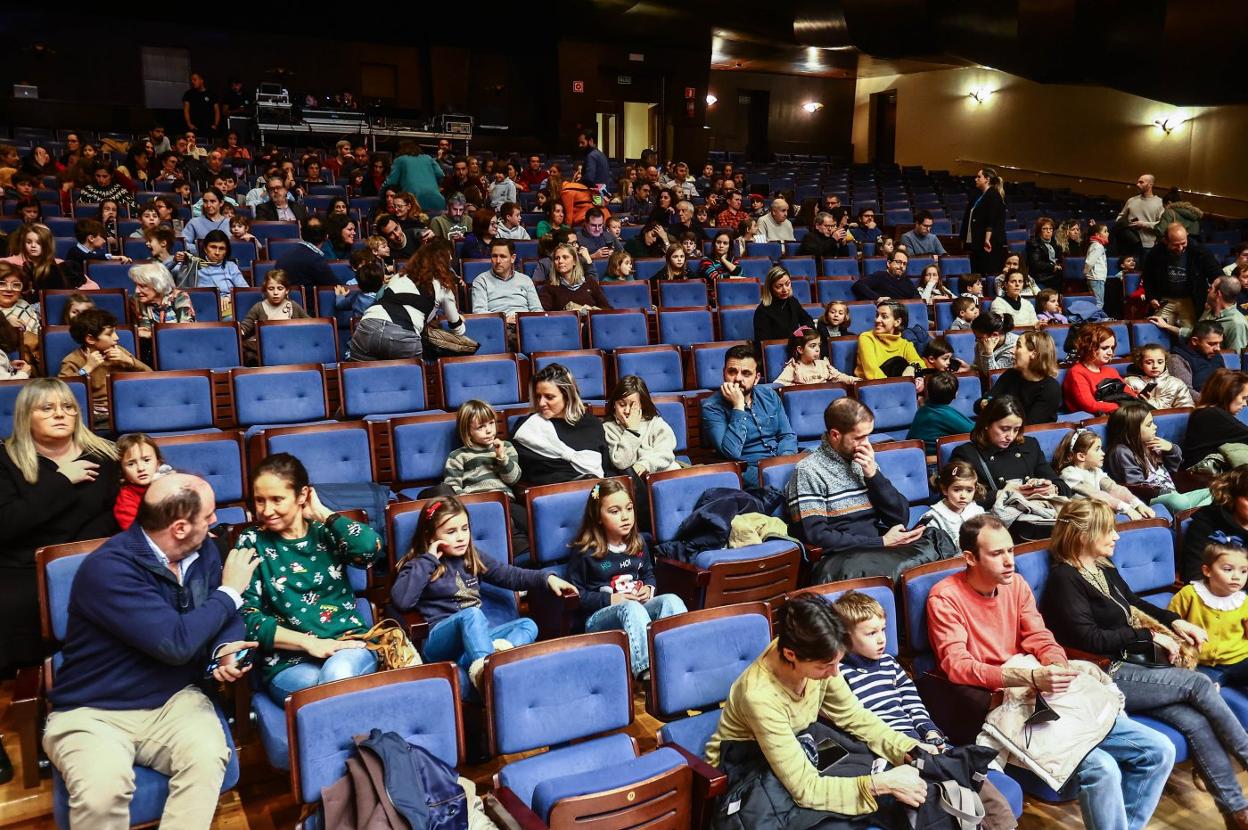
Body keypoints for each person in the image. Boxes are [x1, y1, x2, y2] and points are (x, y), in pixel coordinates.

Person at [929, 513, 1176, 830]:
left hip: (1044, 689)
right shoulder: (945, 597)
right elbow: (958, 666)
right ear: (970, 558)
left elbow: (1040, 637)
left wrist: (1057, 664)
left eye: (1010, 550)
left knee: (1160, 750)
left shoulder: (1016, 585)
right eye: (996, 553)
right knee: (1103, 768)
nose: (1009, 561)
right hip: (1005, 704)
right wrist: (1029, 677)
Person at [44, 472, 256, 829]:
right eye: (208, 515)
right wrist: (230, 591)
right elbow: (175, 644)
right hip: (93, 711)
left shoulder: (204, 550)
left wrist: (225, 649)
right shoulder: (109, 570)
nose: (215, 521)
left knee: (207, 757)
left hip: (174, 699)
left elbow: (223, 616)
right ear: (179, 528)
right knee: (101, 794)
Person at [1041, 499, 1248, 828]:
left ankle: (1237, 812)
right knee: (1199, 683)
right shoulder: (1064, 579)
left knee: (1194, 720)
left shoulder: (1102, 567)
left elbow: (1134, 602)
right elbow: (1089, 638)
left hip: (1135, 665)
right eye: (1108, 530)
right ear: (1083, 535)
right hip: (1103, 673)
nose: (1116, 536)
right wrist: (1148, 635)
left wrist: (1175, 621)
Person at [704, 595, 929, 824]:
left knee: (880, 771)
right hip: (747, 765)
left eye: (838, 662)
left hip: (797, 742)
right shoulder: (760, 696)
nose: (835, 673)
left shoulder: (816, 651)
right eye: (825, 666)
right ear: (790, 655)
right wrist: (879, 785)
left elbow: (854, 715)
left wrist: (909, 747)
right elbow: (806, 789)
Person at [832, 590, 1018, 830]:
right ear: (846, 637)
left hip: (920, 741)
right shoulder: (838, 674)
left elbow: (913, 704)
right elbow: (854, 725)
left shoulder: (890, 664)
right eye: (871, 633)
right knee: (941, 784)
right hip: (885, 751)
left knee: (971, 773)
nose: (881, 640)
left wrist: (930, 732)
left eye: (883, 630)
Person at [237, 454, 383, 705]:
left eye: (277, 499)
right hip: (288, 662)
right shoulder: (251, 541)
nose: (266, 511)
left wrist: (325, 514)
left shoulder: (326, 530)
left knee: (337, 674)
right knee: (332, 685)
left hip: (347, 644)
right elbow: (247, 618)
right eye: (260, 500)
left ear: (302, 495)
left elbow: (370, 550)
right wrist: (310, 643)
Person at [0, 377, 120, 680]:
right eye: (47, 408)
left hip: (91, 557)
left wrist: (72, 552)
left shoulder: (105, 455)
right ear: (25, 415)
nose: (60, 414)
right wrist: (62, 481)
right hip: (24, 564)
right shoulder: (6, 460)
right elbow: (8, 523)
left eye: (68, 406)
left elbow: (112, 516)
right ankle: (31, 684)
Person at [390, 496, 574, 689]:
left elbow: (509, 575)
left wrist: (546, 578)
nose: (461, 537)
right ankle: (486, 675)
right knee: (472, 614)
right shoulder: (418, 565)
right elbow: (402, 601)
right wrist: (429, 560)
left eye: (465, 528)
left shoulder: (472, 557)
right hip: (439, 642)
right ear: (430, 536)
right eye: (451, 532)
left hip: (475, 641)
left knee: (528, 625)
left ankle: (493, 658)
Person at [565, 479, 686, 676]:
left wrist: (648, 588)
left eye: (629, 509)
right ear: (597, 517)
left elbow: (647, 573)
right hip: (599, 619)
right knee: (630, 607)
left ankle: (679, 661)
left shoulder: (638, 542)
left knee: (671, 600)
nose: (625, 517)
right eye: (615, 511)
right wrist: (610, 599)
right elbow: (575, 596)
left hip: (637, 611)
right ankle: (648, 673)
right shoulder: (585, 551)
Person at [786, 397, 918, 556]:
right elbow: (817, 536)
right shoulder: (808, 470)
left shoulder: (864, 461)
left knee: (934, 540)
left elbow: (900, 519)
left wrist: (873, 475)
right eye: (859, 438)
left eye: (868, 436)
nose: (866, 444)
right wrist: (880, 542)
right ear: (835, 435)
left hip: (879, 547)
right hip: (844, 557)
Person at [951, 397, 1069, 539]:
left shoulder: (1030, 445)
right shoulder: (967, 454)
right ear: (987, 424)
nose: (1010, 436)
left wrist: (1051, 488)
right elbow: (957, 498)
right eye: (1004, 429)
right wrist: (1002, 494)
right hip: (998, 529)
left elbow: (1064, 487)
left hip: (1038, 518)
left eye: (1016, 430)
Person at [350, 239, 463, 361]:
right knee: (412, 373)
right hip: (403, 336)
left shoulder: (398, 276)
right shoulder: (443, 287)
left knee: (361, 373)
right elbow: (458, 330)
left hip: (367, 326)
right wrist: (459, 321)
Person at [513, 363, 625, 486]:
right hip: (555, 493)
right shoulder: (528, 427)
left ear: (567, 396)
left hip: (596, 490)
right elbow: (519, 472)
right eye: (538, 396)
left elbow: (606, 470)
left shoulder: (592, 424)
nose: (541, 403)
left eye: (549, 397)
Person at [701, 344, 797, 487]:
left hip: (779, 461)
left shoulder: (769, 395)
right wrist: (738, 406)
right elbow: (731, 452)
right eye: (732, 372)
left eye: (746, 373)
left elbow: (787, 435)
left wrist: (783, 463)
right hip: (748, 470)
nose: (738, 378)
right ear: (723, 373)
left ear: (756, 378)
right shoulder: (711, 407)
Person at [1169, 540, 1248, 687]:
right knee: (1200, 688)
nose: (1237, 577)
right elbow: (1170, 623)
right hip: (1202, 663)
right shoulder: (1190, 594)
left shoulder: (1243, 600)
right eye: (1228, 569)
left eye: (1244, 571)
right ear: (1207, 571)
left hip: (1240, 659)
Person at [58, 309, 152, 429]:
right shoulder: (72, 360)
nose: (116, 337)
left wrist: (129, 361)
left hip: (126, 408)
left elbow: (151, 376)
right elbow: (61, 391)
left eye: (115, 332)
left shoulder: (119, 352)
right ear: (90, 339)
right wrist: (87, 368)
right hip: (94, 416)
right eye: (109, 334)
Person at [1054, 429, 1153, 519]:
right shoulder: (1069, 474)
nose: (1103, 453)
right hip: (1082, 517)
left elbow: (1113, 488)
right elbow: (1096, 494)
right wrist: (1126, 509)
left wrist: (1138, 504)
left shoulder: (1095, 470)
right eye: (1097, 449)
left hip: (1099, 512)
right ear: (1081, 456)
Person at [1142, 223, 1223, 330]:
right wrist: (1151, 297)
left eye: (1183, 243)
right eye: (1175, 245)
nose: (1180, 248)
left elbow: (1217, 275)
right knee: (1156, 328)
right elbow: (1148, 278)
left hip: (1190, 299)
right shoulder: (1156, 253)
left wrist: (1214, 298)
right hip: (1165, 299)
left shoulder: (1200, 251)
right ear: (1166, 241)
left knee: (1191, 332)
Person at [603, 375, 682, 476]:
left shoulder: (655, 423)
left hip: (656, 474)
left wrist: (645, 464)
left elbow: (666, 453)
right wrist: (632, 430)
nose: (627, 411)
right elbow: (621, 463)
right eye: (622, 405)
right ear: (614, 405)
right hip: (630, 478)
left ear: (642, 405)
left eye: (633, 405)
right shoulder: (608, 428)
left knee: (674, 467)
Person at [1154, 276, 1248, 353]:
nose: (1208, 290)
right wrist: (1167, 326)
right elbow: (1195, 334)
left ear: (1218, 294)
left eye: (1211, 288)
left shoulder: (1236, 323)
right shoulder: (1209, 310)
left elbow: (1235, 358)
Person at [985, 330, 1062, 424]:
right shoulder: (1010, 374)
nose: (1011, 351)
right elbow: (982, 402)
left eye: (1018, 346)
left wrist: (992, 407)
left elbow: (1029, 426)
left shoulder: (1050, 388)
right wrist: (985, 403)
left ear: (1033, 354)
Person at [1181, 369, 1248, 474]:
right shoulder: (1210, 414)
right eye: (1243, 398)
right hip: (1200, 476)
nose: (1245, 404)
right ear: (1228, 394)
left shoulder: (1206, 412)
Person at [1063, 322, 1137, 415]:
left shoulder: (1111, 371)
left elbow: (1131, 395)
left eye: (1112, 347)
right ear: (1090, 347)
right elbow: (1090, 405)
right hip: (1095, 418)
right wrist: (1126, 406)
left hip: (1119, 414)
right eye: (1105, 348)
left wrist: (1138, 399)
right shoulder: (1077, 372)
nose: (1110, 353)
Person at [238, 269, 310, 363]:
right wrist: (239, 331)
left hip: (290, 346)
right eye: (271, 289)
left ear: (287, 290)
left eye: (280, 288)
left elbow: (310, 324)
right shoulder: (259, 307)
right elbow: (246, 325)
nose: (275, 293)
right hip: (267, 347)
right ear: (265, 290)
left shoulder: (293, 306)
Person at [918, 461, 987, 548]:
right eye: (957, 490)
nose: (963, 496)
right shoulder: (933, 519)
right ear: (944, 490)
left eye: (969, 490)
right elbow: (933, 550)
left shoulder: (977, 511)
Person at [471, 238, 542, 322]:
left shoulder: (525, 280)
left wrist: (522, 321)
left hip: (525, 324)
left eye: (503, 256)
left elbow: (537, 310)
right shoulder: (481, 281)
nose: (498, 261)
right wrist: (505, 320)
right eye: (494, 256)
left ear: (513, 258)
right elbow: (479, 312)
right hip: (498, 326)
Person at [112, 433, 169, 530]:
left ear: (158, 463)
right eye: (131, 464)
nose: (140, 468)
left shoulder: (170, 482)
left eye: (146, 460)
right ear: (122, 471)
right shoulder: (126, 500)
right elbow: (138, 532)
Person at [908, 372, 975, 455]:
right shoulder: (944, 415)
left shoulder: (923, 409)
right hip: (932, 460)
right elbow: (975, 431)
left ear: (928, 392)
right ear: (955, 395)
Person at [538, 242, 611, 314]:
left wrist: (590, 310)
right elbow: (543, 314)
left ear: (574, 261)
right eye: (557, 258)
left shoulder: (590, 282)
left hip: (589, 320)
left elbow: (608, 309)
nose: (560, 261)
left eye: (565, 257)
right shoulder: (549, 287)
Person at [129, 261, 195, 340]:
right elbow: (145, 331)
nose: (136, 291)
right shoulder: (137, 300)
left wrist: (152, 334)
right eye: (136, 285)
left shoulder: (179, 297)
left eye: (142, 286)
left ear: (158, 285)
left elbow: (184, 330)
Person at [856, 301, 921, 379]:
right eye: (877, 315)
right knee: (898, 362)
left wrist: (912, 368)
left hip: (899, 383)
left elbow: (921, 364)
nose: (877, 320)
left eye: (884, 316)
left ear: (897, 322)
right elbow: (873, 373)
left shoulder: (905, 344)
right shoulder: (867, 338)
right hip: (872, 384)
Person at [774, 327, 856, 387]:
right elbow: (779, 383)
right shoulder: (794, 367)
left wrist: (853, 380)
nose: (817, 349)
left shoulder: (823, 364)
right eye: (813, 346)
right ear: (800, 349)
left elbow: (838, 376)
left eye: (818, 345)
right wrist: (796, 387)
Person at [754, 266, 814, 347]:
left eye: (787, 284)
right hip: (776, 350)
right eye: (779, 286)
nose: (785, 290)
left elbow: (807, 320)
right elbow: (763, 343)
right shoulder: (762, 311)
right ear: (770, 288)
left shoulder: (792, 301)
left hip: (796, 347)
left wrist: (804, 332)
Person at [963, 167, 1007, 277]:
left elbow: (991, 220)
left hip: (988, 244)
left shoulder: (994, 195)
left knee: (986, 273)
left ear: (987, 179)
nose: (975, 179)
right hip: (977, 243)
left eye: (979, 177)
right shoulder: (979, 195)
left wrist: (987, 239)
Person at [1167, 319, 1227, 398]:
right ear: (1195, 341)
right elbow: (1185, 392)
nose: (1218, 349)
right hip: (1201, 404)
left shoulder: (1215, 354)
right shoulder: (1177, 359)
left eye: (1220, 343)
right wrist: (1214, 402)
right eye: (1212, 344)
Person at [1124, 343, 1195, 409]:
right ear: (1141, 364)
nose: (1155, 366)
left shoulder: (1176, 384)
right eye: (1149, 362)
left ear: (1165, 362)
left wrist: (1149, 402)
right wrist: (1138, 400)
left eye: (1160, 362)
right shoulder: (1130, 382)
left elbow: (1186, 410)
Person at [382, 139, 446, 213]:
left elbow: (391, 181)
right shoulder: (428, 158)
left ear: (399, 150)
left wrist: (380, 194)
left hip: (413, 201)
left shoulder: (399, 160)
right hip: (437, 200)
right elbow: (441, 175)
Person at [276, 219, 338, 288]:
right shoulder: (316, 260)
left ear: (302, 234)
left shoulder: (285, 255)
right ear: (326, 237)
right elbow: (336, 287)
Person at [1115, 173, 1166, 258]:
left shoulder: (1160, 203)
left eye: (1141, 182)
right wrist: (1124, 224)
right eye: (1138, 182)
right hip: (1129, 243)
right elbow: (1120, 217)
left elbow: (1162, 225)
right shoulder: (1131, 200)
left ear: (1150, 184)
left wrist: (1143, 224)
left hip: (1148, 246)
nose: (1137, 184)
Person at [853, 249, 921, 301]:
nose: (902, 266)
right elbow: (858, 285)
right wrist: (878, 298)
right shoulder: (880, 276)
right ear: (888, 263)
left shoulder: (906, 280)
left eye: (905, 264)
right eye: (898, 262)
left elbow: (917, 297)